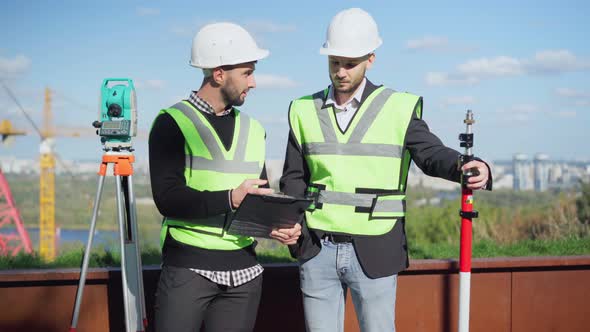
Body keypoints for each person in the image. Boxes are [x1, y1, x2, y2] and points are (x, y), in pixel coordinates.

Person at [279, 8, 492, 332]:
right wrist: (295, 232)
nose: (341, 71)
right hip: (317, 247)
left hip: (375, 247)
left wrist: (464, 166)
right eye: (334, 62)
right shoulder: (303, 110)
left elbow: (430, 152)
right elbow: (294, 177)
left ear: (370, 59)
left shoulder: (397, 107)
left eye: (350, 63)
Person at [149, 22, 300, 332]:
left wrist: (275, 227)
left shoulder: (254, 129)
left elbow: (258, 195)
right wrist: (230, 198)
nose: (254, 82)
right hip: (188, 269)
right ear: (218, 74)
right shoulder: (171, 123)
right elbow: (167, 198)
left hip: (244, 273)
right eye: (247, 73)